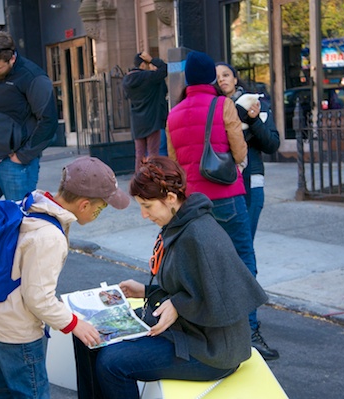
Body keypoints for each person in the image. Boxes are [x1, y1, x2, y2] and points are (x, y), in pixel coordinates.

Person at [73, 156, 268, 399]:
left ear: (171, 199)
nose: (144, 215)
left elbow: (225, 299)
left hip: (212, 350)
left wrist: (178, 305)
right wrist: (146, 290)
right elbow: (190, 286)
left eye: (147, 206)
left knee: (112, 363)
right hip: (189, 331)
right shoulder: (179, 223)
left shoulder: (200, 235)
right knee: (89, 333)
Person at [0, 156, 131, 398]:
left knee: (5, 391)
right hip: (17, 332)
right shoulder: (50, 236)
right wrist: (75, 324)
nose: (102, 212)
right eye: (102, 208)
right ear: (84, 204)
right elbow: (38, 298)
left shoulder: (30, 205)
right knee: (31, 393)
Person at [166, 51, 279, 360]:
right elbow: (239, 149)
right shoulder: (222, 105)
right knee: (242, 261)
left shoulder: (173, 113)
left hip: (192, 203)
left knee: (203, 267)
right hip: (227, 197)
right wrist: (240, 163)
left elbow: (174, 160)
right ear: (210, 78)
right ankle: (250, 331)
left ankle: (211, 332)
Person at [0, 31, 59, 224]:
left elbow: (49, 121)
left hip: (15, 164)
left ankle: (15, 256)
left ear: (12, 58)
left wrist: (22, 156)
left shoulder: (33, 76)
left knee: (19, 221)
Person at [215, 62, 280, 239]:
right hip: (223, 181)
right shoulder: (213, 110)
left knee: (245, 241)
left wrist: (253, 121)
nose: (221, 79)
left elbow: (272, 145)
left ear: (235, 79)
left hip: (252, 178)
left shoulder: (255, 104)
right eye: (217, 76)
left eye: (226, 75)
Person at [122, 52, 169, 171]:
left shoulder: (126, 80)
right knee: (153, 153)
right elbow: (164, 69)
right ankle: (152, 180)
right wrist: (152, 59)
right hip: (152, 120)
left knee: (139, 154)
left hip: (137, 122)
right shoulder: (148, 77)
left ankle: (139, 180)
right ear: (143, 64)